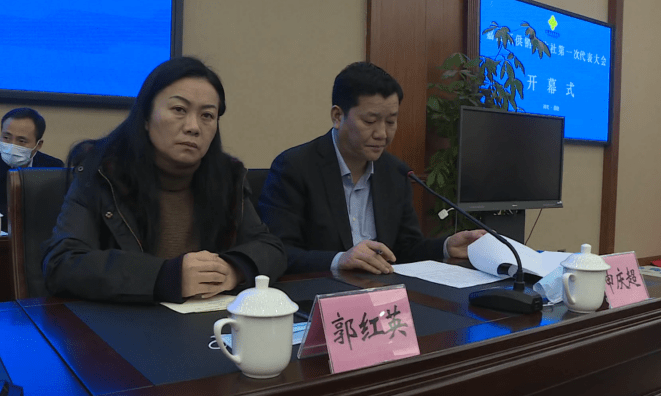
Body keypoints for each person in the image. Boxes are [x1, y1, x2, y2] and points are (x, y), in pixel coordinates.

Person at [43, 57, 286, 303]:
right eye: (179, 110)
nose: (193, 127)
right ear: (146, 117)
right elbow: (62, 263)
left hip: (206, 321)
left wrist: (234, 269)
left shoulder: (227, 176)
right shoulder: (102, 171)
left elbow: (270, 248)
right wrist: (165, 277)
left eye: (207, 115)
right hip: (124, 320)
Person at [258, 62, 485, 275]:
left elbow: (406, 249)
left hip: (382, 292)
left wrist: (445, 247)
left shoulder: (395, 172)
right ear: (337, 116)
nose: (382, 134)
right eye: (369, 121)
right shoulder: (294, 167)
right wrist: (339, 260)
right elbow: (277, 252)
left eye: (390, 122)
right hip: (320, 292)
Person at [0, 107, 64, 232]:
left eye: (21, 140)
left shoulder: (53, 168)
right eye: (6, 137)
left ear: (38, 145)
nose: (12, 145)